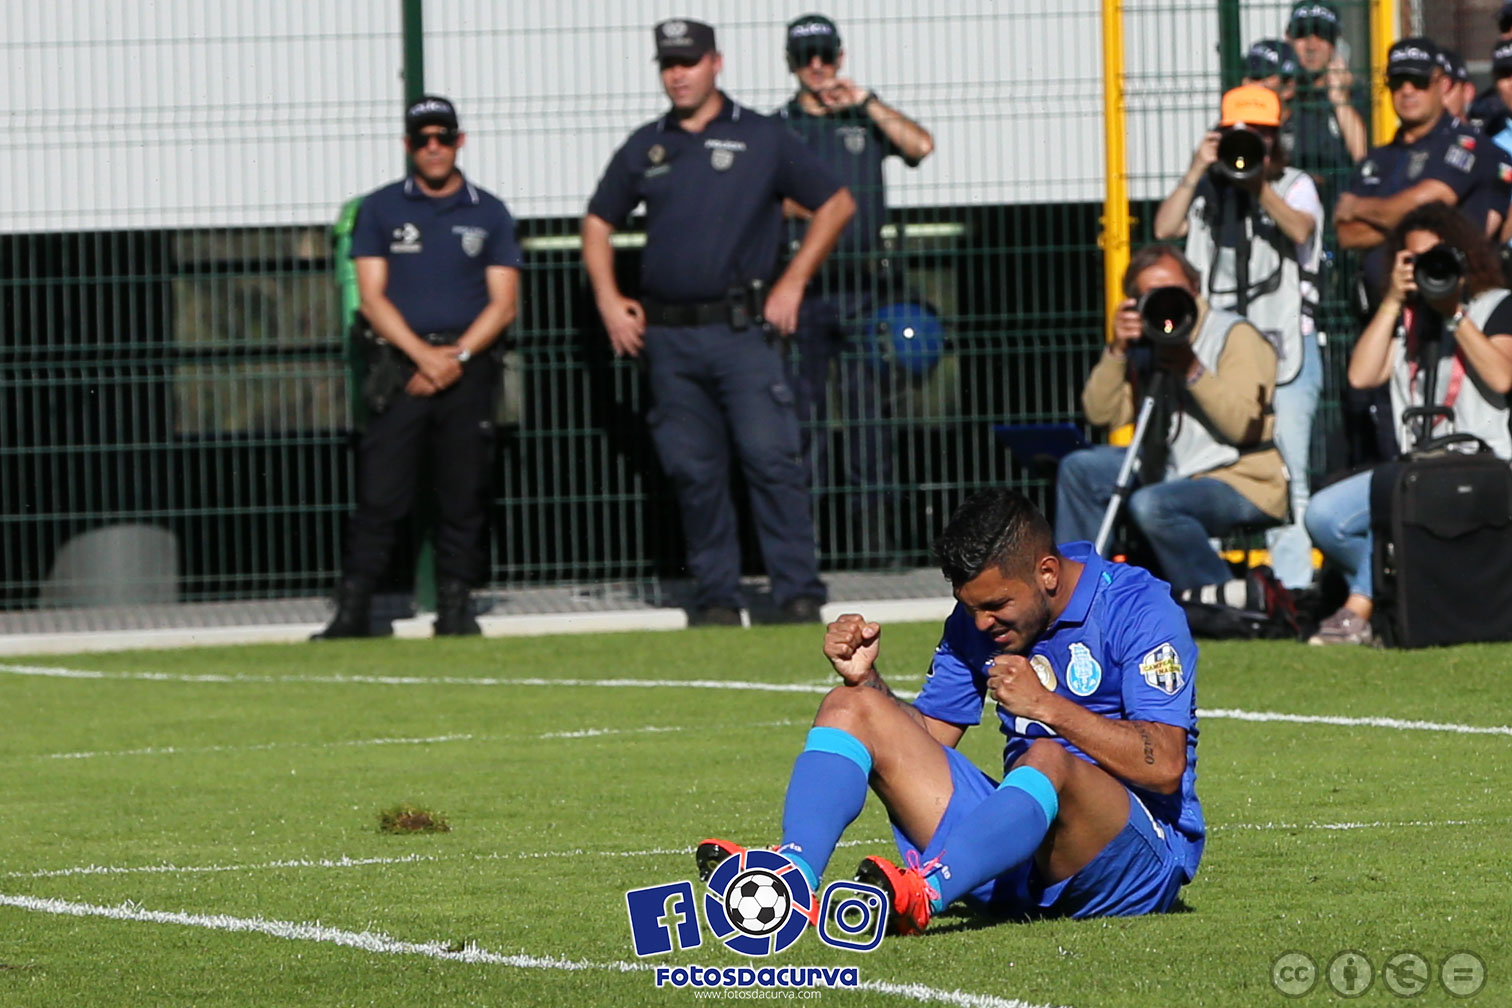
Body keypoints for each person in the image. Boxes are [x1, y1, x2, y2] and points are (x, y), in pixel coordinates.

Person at [695, 488, 1203, 934]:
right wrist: (868, 682)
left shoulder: (1138, 606)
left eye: (997, 605)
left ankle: (925, 893)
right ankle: (791, 878)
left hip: (1133, 864)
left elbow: (1163, 765)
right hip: (1021, 851)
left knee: (1047, 756)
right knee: (851, 706)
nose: (982, 623)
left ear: (1047, 573)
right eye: (970, 606)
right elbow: (926, 746)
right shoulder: (977, 619)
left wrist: (1046, 706)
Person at [582, 19, 856, 627]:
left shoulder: (761, 136)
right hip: (669, 337)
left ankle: (796, 590)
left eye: (688, 61)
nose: (677, 74)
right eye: (668, 64)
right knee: (693, 469)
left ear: (716, 63)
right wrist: (608, 298)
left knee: (770, 458)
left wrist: (792, 281)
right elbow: (598, 220)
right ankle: (716, 596)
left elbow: (836, 202)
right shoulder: (647, 146)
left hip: (742, 333)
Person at [313, 95, 522, 640]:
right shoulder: (380, 210)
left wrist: (456, 357)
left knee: (463, 493)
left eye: (443, 137)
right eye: (423, 139)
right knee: (381, 495)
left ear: (460, 141)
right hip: (400, 369)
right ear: (408, 146)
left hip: (467, 369)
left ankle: (455, 610)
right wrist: (423, 356)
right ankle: (353, 612)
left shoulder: (490, 212)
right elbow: (372, 298)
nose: (434, 148)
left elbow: (503, 303)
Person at [1304, 202, 1512, 645]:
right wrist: (1394, 301)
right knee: (1325, 515)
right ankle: (1401, 589)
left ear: (1462, 255)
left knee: (1398, 509)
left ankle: (1358, 610)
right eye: (1413, 260)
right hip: (1414, 466)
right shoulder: (1405, 316)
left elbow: (1502, 376)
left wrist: (1454, 311)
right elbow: (1361, 376)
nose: (1426, 269)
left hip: (1481, 462)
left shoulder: (1494, 305)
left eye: (1436, 257)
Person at [777, 13, 934, 563]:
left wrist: (866, 101)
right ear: (791, 65)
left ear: (839, 57)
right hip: (808, 292)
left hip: (866, 291)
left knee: (871, 420)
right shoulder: (781, 126)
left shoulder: (864, 120)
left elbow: (920, 145)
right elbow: (767, 197)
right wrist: (823, 214)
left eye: (824, 54)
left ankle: (878, 548)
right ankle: (807, 551)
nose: (816, 66)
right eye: (805, 57)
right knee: (804, 424)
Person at [1153, 85, 1323, 591]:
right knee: (1198, 461)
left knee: (1290, 471)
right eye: (1236, 136)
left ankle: (1292, 590)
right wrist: (1195, 170)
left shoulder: (1294, 185)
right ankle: (1208, 590)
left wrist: (1257, 183)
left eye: (1259, 137)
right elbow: (1165, 227)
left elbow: (1300, 231)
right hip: (1216, 354)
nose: (1248, 146)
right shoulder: (1207, 187)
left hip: (1287, 350)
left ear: (1276, 139)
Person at [1053, 245, 1286, 595]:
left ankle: (1218, 597)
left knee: (1153, 505)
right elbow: (1102, 414)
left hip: (1241, 477)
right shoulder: (1148, 342)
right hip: (1169, 467)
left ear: (1194, 287)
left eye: (1170, 291)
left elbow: (1242, 427)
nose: (1164, 303)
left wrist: (1192, 370)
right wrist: (1117, 351)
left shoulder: (1234, 335)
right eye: (1150, 296)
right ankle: (1077, 594)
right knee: (1081, 468)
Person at [1283, 2, 1367, 210]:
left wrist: (1339, 98)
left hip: (1338, 215)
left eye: (1322, 36)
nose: (1311, 46)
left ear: (1335, 44)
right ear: (1289, 40)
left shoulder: (1355, 94)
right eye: (1302, 35)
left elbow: (1361, 157)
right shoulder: (1282, 92)